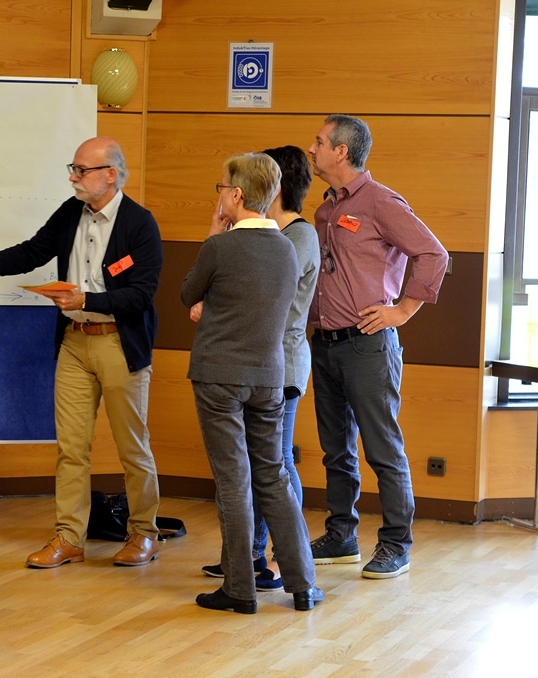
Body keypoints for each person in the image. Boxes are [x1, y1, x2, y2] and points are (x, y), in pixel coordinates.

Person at [0, 136, 163, 569]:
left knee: (132, 447)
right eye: (72, 169)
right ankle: (69, 537)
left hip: (119, 343)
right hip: (75, 342)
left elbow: (142, 294)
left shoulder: (139, 223)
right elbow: (32, 252)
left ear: (110, 175)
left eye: (82, 170)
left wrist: (87, 300)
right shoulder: (69, 212)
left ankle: (144, 533)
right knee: (71, 448)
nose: (74, 177)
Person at [306, 114, 448, 579]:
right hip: (325, 345)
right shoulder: (324, 211)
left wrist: (402, 310)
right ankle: (341, 536)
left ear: (341, 151)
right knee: (336, 450)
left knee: (382, 450)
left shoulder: (381, 202)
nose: (312, 149)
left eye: (319, 142)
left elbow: (433, 254)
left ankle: (395, 545)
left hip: (368, 346)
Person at [182, 152, 322, 614]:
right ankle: (303, 585)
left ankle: (240, 589)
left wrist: (212, 233)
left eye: (222, 188)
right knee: (274, 476)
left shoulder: (220, 248)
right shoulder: (287, 248)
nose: (220, 196)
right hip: (269, 378)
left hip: (219, 377)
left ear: (237, 195)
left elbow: (187, 293)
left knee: (234, 480)